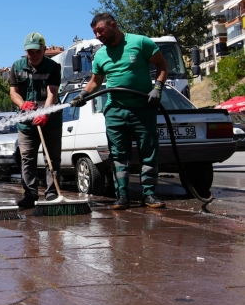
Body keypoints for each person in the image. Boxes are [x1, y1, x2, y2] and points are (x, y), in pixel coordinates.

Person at [70, 13, 168, 210]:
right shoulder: (100, 54)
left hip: (142, 108)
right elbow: (95, 82)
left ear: (113, 25)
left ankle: (149, 195)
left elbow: (162, 65)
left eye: (100, 30)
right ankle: (122, 196)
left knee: (148, 152)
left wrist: (157, 87)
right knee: (118, 155)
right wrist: (82, 95)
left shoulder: (140, 42)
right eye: (95, 32)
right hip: (115, 110)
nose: (98, 36)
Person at [9, 32, 63, 208]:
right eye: (30, 52)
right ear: (26, 52)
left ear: (44, 49)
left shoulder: (53, 67)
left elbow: (52, 92)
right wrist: (23, 104)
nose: (34, 55)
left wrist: (45, 113)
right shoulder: (16, 67)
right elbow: (13, 93)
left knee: (52, 158)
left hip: (50, 121)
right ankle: (30, 194)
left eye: (37, 51)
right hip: (26, 123)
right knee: (27, 158)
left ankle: (52, 193)